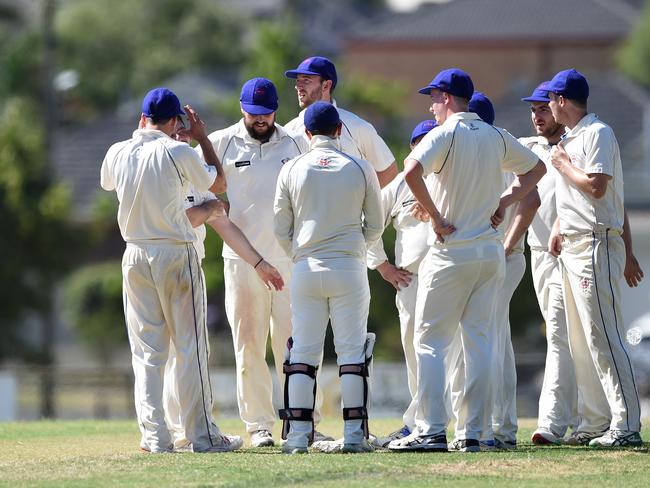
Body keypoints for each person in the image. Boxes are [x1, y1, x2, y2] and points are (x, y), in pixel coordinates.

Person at [388, 69, 546, 452]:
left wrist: (437, 218)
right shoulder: (496, 135)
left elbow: (410, 171)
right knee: (480, 344)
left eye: (434, 98)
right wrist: (503, 202)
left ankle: (430, 429)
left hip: (453, 252)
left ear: (446, 97)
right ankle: (474, 433)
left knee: (430, 343)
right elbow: (537, 169)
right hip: (490, 254)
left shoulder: (445, 133)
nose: (431, 105)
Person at [100, 87, 242, 453]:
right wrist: (202, 138)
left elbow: (108, 183)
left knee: (147, 352)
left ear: (142, 119)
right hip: (175, 253)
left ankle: (155, 437)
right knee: (190, 346)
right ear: (176, 121)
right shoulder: (178, 150)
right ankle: (202, 436)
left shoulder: (118, 151)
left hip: (134, 255)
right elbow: (218, 184)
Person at [521, 81, 644, 446]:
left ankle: (626, 426)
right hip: (573, 244)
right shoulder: (573, 139)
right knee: (581, 339)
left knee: (603, 336)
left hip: (593, 242)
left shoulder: (597, 132)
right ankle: (594, 423)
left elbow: (598, 187)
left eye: (550, 103)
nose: (546, 110)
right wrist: (560, 226)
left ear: (561, 101)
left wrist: (561, 164)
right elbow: (578, 194)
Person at [199, 77, 316, 447]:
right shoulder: (220, 143)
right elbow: (207, 197)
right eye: (253, 114)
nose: (260, 121)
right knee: (248, 344)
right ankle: (259, 425)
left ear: (275, 111)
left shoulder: (295, 142)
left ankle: (298, 421)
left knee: (293, 345)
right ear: (242, 109)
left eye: (266, 114)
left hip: (288, 259)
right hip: (241, 260)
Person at [162, 118, 285, 451]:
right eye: (175, 130)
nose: (180, 137)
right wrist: (207, 208)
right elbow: (188, 216)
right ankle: (188, 433)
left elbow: (219, 213)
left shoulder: (179, 166)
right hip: (174, 259)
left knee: (167, 353)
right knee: (186, 351)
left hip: (171, 259)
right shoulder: (167, 165)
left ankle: (166, 433)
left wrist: (259, 263)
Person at [274, 101, 383, 454]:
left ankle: (296, 438)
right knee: (352, 352)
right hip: (349, 268)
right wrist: (353, 249)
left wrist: (301, 254)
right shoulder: (360, 166)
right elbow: (377, 224)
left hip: (306, 268)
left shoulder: (292, 168)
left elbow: (280, 228)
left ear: (307, 133)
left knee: (303, 353)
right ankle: (353, 435)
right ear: (339, 131)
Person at [366, 120, 437, 447]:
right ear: (412, 148)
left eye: (430, 141)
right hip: (411, 278)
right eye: (419, 143)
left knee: (456, 351)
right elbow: (370, 223)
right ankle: (417, 421)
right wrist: (383, 267)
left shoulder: (451, 175)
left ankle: (464, 424)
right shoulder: (399, 184)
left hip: (449, 273)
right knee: (414, 349)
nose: (425, 148)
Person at [284, 56, 398, 188]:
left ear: (326, 85)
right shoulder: (290, 130)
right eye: (298, 81)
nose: (298, 86)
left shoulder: (356, 126)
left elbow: (388, 170)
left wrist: (361, 200)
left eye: (306, 80)